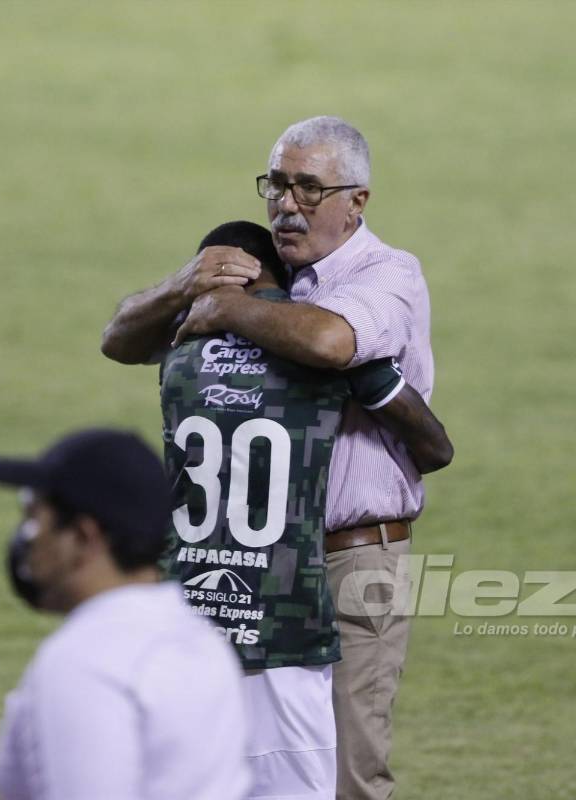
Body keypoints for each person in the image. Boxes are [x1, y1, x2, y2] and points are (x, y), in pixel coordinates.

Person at [103, 116, 440, 800]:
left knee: (347, 775)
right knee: (226, 768)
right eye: (278, 185)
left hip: (350, 561)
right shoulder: (259, 270)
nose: (287, 204)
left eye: (309, 189)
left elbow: (330, 343)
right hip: (247, 563)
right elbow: (120, 341)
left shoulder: (388, 275)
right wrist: (183, 285)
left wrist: (226, 308)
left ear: (357, 201)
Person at [161, 220, 449, 800]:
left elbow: (117, 340)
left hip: (231, 578)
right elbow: (435, 447)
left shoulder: (180, 357)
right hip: (291, 582)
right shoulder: (319, 350)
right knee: (339, 774)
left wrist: (212, 308)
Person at [0, 428, 250, 800]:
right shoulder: (202, 640)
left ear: (83, 536)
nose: (28, 538)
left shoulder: (88, 661)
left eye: (35, 517)